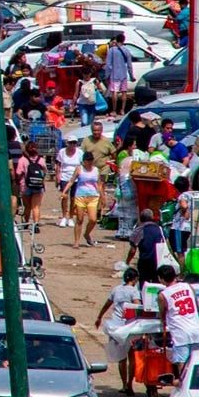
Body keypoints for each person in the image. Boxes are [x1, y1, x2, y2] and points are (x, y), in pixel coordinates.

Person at [95, 267, 140, 396]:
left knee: (121, 358)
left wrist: (99, 317)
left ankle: (124, 385)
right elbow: (136, 307)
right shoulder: (134, 291)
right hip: (129, 327)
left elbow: (107, 304)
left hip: (116, 327)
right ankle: (130, 385)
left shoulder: (116, 289)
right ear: (135, 279)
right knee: (132, 357)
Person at [158, 264, 199, 375]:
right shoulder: (187, 286)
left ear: (161, 279)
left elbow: (162, 314)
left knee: (182, 364)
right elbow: (196, 304)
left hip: (181, 333)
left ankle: (183, 387)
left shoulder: (163, 295)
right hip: (196, 329)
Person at [63, 152, 103, 248]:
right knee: (79, 219)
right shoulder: (79, 169)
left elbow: (99, 184)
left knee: (93, 219)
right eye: (87, 160)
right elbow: (72, 181)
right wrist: (64, 191)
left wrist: (103, 197)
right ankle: (76, 242)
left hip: (93, 196)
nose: (89, 162)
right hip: (80, 196)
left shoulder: (96, 170)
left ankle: (87, 233)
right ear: (84, 161)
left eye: (91, 160)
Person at [127, 209, 167, 284]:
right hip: (159, 260)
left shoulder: (139, 230)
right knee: (157, 283)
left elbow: (132, 250)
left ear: (141, 218)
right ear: (152, 218)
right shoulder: (159, 229)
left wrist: (127, 261)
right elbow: (167, 242)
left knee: (144, 283)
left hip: (145, 260)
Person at [54, 137, 84, 228]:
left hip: (76, 178)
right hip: (64, 176)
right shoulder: (62, 152)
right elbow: (58, 165)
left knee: (73, 198)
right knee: (64, 197)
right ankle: (64, 217)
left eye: (74, 143)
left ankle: (71, 217)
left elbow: (82, 164)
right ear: (67, 143)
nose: (72, 145)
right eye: (71, 143)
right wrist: (57, 176)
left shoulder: (80, 152)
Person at [16, 141, 46, 227]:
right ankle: (35, 225)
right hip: (38, 186)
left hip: (25, 186)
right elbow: (44, 172)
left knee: (27, 206)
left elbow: (18, 173)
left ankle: (26, 223)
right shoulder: (41, 160)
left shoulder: (22, 160)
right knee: (36, 207)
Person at [105, 33, 134, 116]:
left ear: (116, 40)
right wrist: (131, 75)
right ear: (123, 40)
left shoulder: (112, 50)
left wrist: (107, 75)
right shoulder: (127, 50)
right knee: (124, 92)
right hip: (123, 74)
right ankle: (122, 110)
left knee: (114, 92)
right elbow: (129, 65)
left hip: (114, 75)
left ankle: (114, 110)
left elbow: (108, 64)